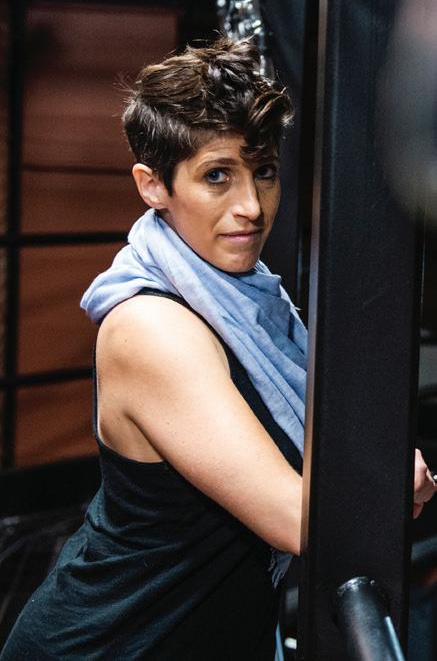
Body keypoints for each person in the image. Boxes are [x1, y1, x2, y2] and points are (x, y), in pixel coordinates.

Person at [1, 38, 435, 661]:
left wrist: (375, 480)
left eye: (264, 171)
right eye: (217, 176)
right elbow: (299, 520)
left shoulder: (250, 299)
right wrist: (385, 484)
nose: (251, 207)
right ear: (153, 185)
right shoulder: (152, 327)